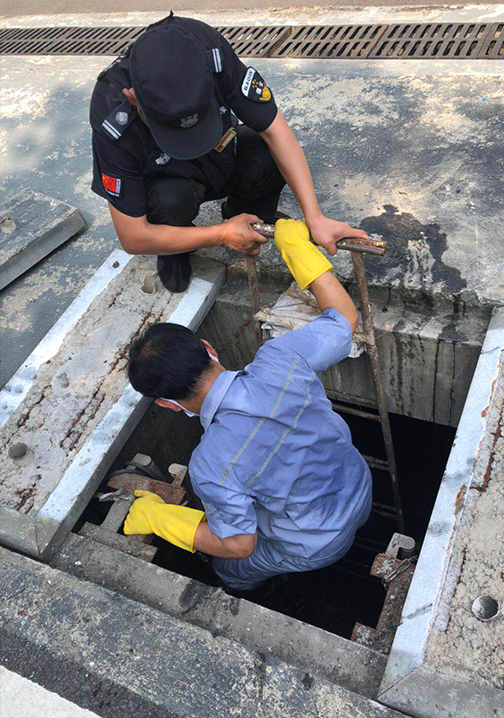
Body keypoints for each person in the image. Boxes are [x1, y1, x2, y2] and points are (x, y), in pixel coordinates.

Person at [124, 219, 372, 592]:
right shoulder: (282, 357)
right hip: (359, 489)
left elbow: (240, 546)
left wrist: (160, 519)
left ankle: (257, 592)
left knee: (230, 570)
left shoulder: (211, 465)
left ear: (166, 403)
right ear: (208, 348)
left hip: (316, 543)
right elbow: (344, 318)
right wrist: (298, 251)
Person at [89, 12, 369, 293]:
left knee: (265, 151)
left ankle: (246, 216)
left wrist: (315, 217)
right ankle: (175, 246)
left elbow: (276, 131)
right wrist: (220, 235)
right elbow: (133, 236)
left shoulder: (208, 52)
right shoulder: (111, 113)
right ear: (133, 98)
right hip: (170, 181)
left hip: (220, 153)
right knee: (169, 200)